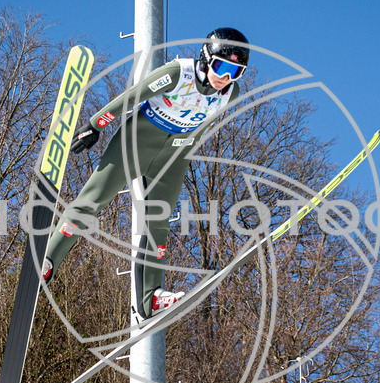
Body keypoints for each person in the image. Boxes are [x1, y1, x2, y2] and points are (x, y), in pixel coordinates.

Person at [41, 27, 250, 319]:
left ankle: (149, 298)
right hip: (137, 141)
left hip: (174, 155)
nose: (225, 78)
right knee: (95, 198)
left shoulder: (231, 93)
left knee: (159, 221)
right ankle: (48, 258)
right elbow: (133, 96)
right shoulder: (180, 73)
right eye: (222, 67)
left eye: (235, 72)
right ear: (205, 58)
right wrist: (95, 124)